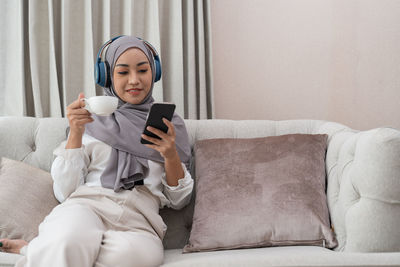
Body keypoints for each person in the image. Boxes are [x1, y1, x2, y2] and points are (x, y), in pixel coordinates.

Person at [0, 35, 193, 267]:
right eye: (123, 72)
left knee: (134, 257)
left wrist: (170, 154)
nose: (134, 80)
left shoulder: (171, 125)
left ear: (155, 72)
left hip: (141, 220)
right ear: (107, 76)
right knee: (68, 240)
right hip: (86, 206)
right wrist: (75, 133)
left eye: (142, 70)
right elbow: (64, 191)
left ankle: (37, 249)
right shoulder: (90, 120)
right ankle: (53, 246)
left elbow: (179, 200)